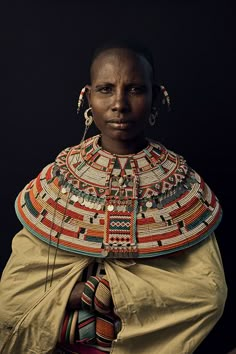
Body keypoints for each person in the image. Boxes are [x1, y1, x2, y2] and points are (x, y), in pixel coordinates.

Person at [0, 40, 227, 354]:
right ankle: (97, 320)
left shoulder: (180, 182)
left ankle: (97, 323)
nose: (119, 103)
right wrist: (91, 293)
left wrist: (110, 290)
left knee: (207, 299)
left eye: (134, 89)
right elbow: (17, 289)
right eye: (106, 89)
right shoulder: (61, 176)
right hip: (80, 320)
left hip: (105, 321)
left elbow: (206, 290)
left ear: (156, 96)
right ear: (87, 97)